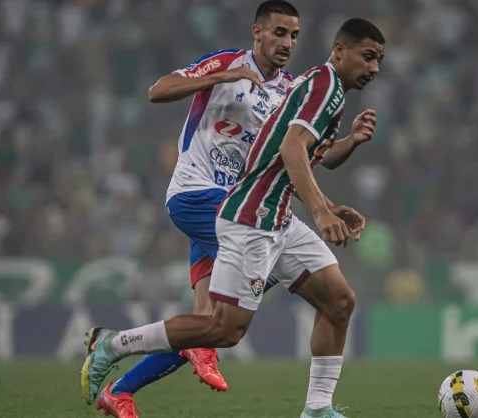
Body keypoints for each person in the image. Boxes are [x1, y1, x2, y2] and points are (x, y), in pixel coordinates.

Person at [81, 17, 384, 418]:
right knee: (222, 327)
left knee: (338, 301)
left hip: (266, 212)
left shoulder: (299, 88)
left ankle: (317, 409)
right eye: (368, 57)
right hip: (225, 204)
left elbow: (303, 157)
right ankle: (113, 344)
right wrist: (319, 210)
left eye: (294, 35)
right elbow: (291, 148)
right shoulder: (268, 73)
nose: (375, 69)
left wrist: (330, 196)